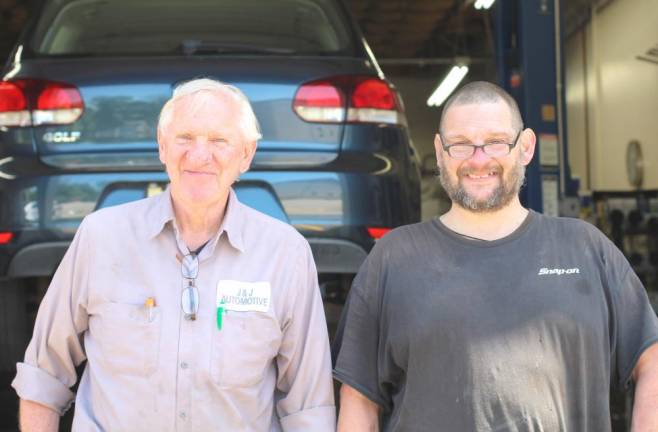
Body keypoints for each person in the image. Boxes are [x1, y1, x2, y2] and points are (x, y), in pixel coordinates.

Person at [12, 78, 336, 431]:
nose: (199, 155)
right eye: (184, 138)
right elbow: (44, 375)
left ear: (246, 154)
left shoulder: (285, 254)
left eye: (219, 140)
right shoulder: (101, 237)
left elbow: (308, 408)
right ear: (162, 147)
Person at [333, 81, 658, 431]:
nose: (478, 160)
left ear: (526, 147)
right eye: (460, 145)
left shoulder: (586, 247)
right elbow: (359, 402)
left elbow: (651, 360)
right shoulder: (392, 259)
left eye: (495, 142)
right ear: (440, 152)